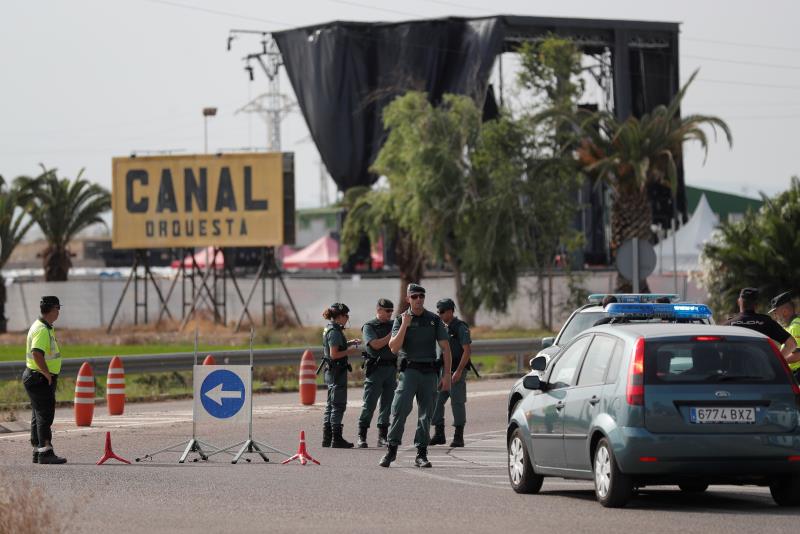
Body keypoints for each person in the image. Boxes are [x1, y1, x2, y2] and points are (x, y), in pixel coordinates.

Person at [379, 284, 452, 468]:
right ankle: (391, 450)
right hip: (409, 372)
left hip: (429, 372)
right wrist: (405, 324)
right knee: (400, 409)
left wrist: (447, 375)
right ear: (408, 299)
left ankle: (421, 453)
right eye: (415, 296)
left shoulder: (434, 320)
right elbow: (394, 347)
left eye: (421, 296)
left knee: (426, 414)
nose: (419, 299)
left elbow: (446, 349)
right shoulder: (400, 319)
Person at [22, 296, 66, 464]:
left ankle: (38, 450)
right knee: (45, 415)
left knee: (38, 415)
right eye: (58, 308)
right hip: (39, 377)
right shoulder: (42, 329)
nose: (59, 312)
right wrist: (47, 373)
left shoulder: (44, 326)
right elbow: (36, 353)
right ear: (53, 309)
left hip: (35, 376)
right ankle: (46, 452)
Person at [430, 298, 472, 448]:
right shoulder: (442, 327)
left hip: (457, 369)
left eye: (441, 312)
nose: (439, 315)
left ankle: (458, 436)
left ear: (450, 311)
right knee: (436, 400)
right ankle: (439, 433)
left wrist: (459, 371)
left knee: (457, 402)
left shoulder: (460, 327)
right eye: (438, 312)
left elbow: (467, 351)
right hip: (444, 370)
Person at [356, 298, 397, 448]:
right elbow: (375, 344)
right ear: (378, 310)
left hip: (391, 369)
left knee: (387, 404)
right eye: (387, 311)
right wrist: (392, 335)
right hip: (376, 370)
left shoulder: (394, 325)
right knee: (369, 403)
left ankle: (382, 436)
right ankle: (362, 435)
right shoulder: (369, 326)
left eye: (391, 311)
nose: (390, 314)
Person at [320, 302, 362, 449]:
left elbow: (336, 347)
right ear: (339, 316)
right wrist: (349, 351)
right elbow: (334, 354)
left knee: (330, 404)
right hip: (337, 372)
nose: (347, 318)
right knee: (338, 404)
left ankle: (327, 438)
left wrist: (350, 343)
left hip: (331, 371)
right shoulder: (335, 332)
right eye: (346, 315)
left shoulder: (330, 328)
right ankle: (336, 439)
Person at [724, 288, 798, 360]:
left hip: (734, 371)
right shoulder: (766, 322)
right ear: (757, 305)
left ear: (739, 302)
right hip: (761, 371)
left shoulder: (727, 325)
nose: (775, 316)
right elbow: (792, 344)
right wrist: (773, 362)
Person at [768, 291, 800, 376]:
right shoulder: (790, 326)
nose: (775, 317)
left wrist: (777, 362)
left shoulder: (795, 327)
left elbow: (797, 355)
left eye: (775, 312)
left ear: (785, 312)